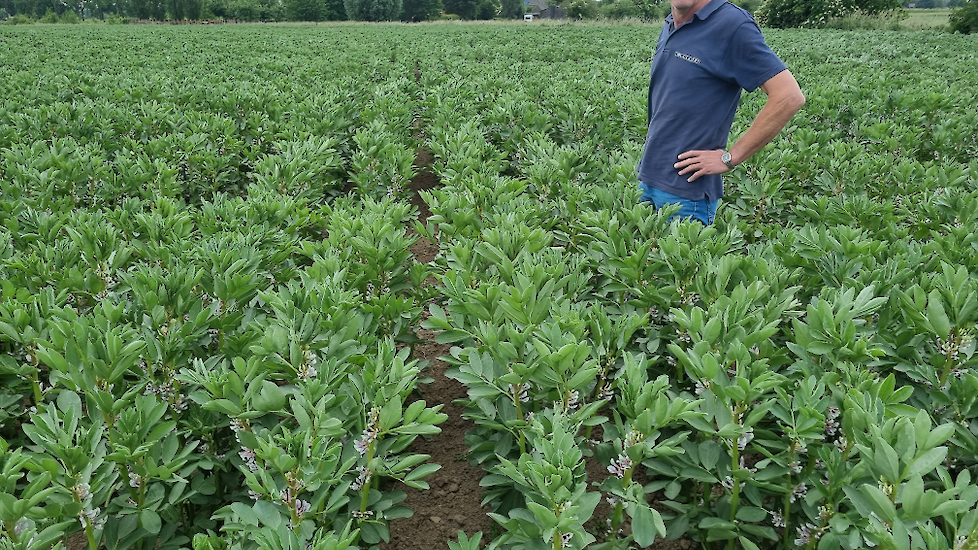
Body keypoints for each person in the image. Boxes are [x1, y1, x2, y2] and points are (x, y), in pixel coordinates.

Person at [637, 0, 806, 225]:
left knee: (682, 260)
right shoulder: (673, 22)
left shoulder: (732, 24)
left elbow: (789, 96)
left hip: (687, 193)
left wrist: (730, 158)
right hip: (648, 179)